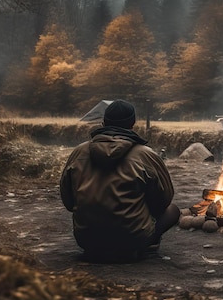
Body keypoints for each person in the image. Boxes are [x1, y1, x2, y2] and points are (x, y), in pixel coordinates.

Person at [60, 99, 180, 262]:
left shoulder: (79, 152)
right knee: (173, 210)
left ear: (103, 123)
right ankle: (146, 245)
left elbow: (68, 201)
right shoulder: (146, 155)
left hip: (87, 240)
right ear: (133, 124)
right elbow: (163, 200)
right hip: (132, 240)